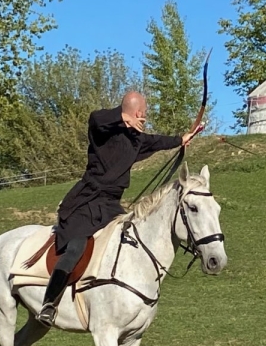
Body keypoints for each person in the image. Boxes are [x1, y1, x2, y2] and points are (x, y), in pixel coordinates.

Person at [36, 91, 197, 326]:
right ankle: (49, 304)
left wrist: (180, 139)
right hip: (84, 203)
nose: (145, 118)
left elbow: (156, 141)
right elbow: (95, 119)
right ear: (137, 112)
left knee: (129, 240)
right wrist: (122, 117)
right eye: (143, 114)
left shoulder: (136, 139)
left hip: (111, 206)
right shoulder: (104, 130)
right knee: (76, 247)